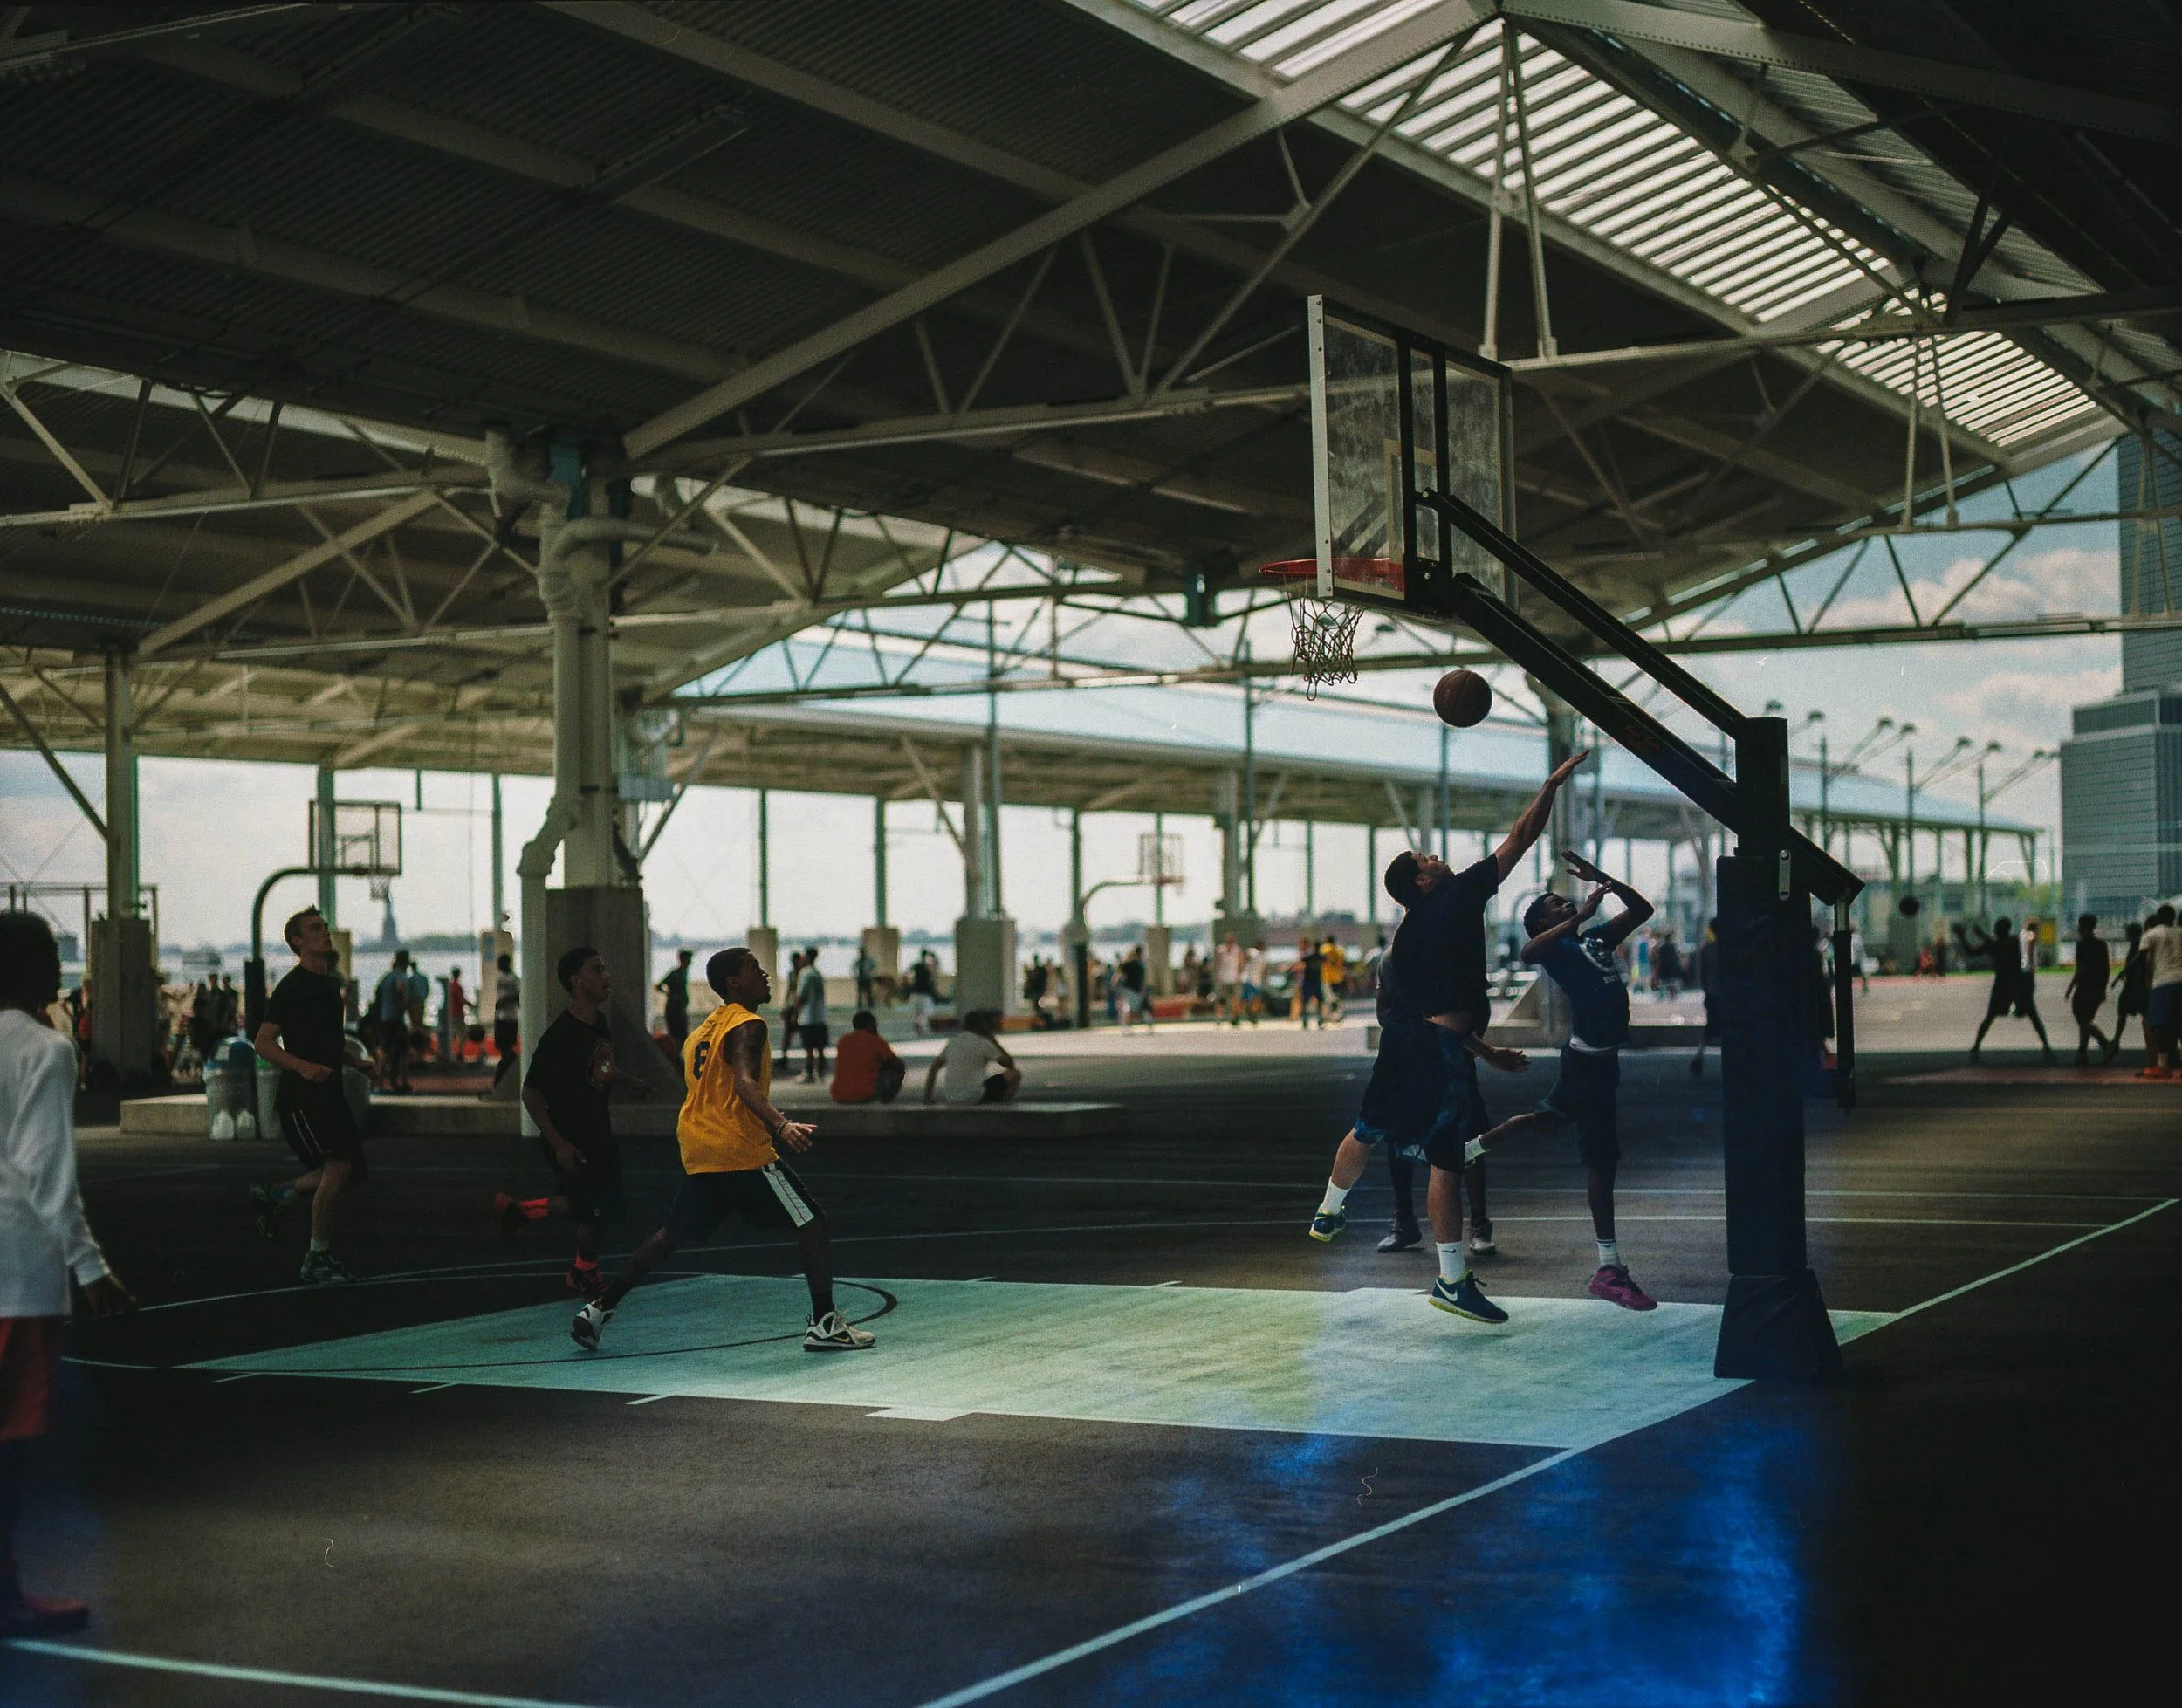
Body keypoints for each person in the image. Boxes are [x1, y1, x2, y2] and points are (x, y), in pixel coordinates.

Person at [1308, 751, 1588, 1322]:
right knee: (1446, 1160)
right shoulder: (1456, 896)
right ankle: (1452, 1279)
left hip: (1408, 1045)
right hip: (1436, 1056)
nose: (1438, 857)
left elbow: (1427, 1012)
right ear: (1423, 879)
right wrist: (1551, 785)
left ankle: (1329, 1209)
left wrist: (1483, 1050)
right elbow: (1520, 836)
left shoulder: (1405, 939)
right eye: (1427, 856)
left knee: (1368, 1126)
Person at [571, 948, 873, 1354]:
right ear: (733, 983)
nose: (765, 975)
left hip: (701, 1148)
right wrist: (780, 1125)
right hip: (741, 1150)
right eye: (755, 969)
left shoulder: (701, 1033)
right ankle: (824, 1324)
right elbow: (745, 1083)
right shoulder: (749, 1024)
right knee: (813, 1223)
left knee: (668, 1236)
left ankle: (600, 1309)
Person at [1, 913, 134, 1638]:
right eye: (51, 953)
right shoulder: (45, 1050)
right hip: (18, 1276)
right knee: (11, 1447)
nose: (61, 964)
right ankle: (5, 1592)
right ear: (23, 969)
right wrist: (91, 1265)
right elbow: (47, 1170)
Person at [1521, 852, 1657, 1311]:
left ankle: (1475, 1146)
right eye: (1555, 906)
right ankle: (1609, 1267)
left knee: (1549, 1123)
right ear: (1545, 922)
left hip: (1603, 1063)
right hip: (1585, 1062)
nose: (1566, 906)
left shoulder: (1596, 939)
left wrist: (1607, 881)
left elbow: (1643, 911)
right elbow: (1529, 950)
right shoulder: (1554, 950)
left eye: (1566, 903)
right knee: (1602, 1161)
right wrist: (1576, 915)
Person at [502, 946, 654, 1300]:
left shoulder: (598, 1023)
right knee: (594, 1207)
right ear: (576, 980)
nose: (606, 975)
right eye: (596, 969)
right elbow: (531, 1093)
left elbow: (599, 1067)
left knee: (593, 1203)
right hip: (571, 1135)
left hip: (597, 1129)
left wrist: (627, 1081)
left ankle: (521, 1211)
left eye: (605, 968)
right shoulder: (561, 1035)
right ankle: (583, 1271)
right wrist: (558, 1142)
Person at [250, 908, 379, 1283]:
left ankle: (276, 1197)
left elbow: (330, 1044)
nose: (325, 933)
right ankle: (317, 1258)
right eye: (315, 929)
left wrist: (356, 1061)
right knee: (336, 1169)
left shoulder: (330, 987)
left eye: (325, 927)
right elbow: (262, 1043)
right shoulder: (291, 987)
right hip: (302, 1099)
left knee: (349, 1174)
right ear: (298, 942)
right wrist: (303, 1067)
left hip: (332, 1093)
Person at [1953, 916, 2053, 1061]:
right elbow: (1989, 947)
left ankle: (1976, 1047)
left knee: (1991, 1017)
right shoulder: (2011, 941)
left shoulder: (2010, 942)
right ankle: (2047, 1047)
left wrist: (1965, 937)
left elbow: (1977, 951)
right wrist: (1971, 937)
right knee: (2032, 1015)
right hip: (2017, 984)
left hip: (2004, 984)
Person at [926, 1009, 1021, 1105]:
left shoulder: (953, 1042)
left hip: (952, 1097)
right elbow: (1010, 1064)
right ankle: (1003, 1109)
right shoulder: (983, 1042)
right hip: (975, 1095)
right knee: (1015, 1074)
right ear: (982, 1026)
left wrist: (927, 1098)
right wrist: (994, 1040)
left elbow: (933, 1069)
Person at [2064, 915, 2114, 1068]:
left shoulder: (2082, 945)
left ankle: (2105, 1044)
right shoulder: (2102, 944)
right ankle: (2082, 1053)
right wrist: (2104, 989)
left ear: (2083, 927)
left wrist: (2071, 987)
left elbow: (2081, 968)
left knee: (2083, 1020)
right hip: (2097, 987)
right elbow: (2106, 969)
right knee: (2086, 1019)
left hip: (2085, 987)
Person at [2142, 903, 2182, 1080]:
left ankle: (2162, 1066)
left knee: (2160, 1026)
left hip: (2163, 983)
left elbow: (2141, 958)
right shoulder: (2180, 933)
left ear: (2158, 917)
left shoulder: (2152, 934)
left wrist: (2125, 971)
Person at [832, 1009, 904, 1104]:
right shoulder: (875, 1041)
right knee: (898, 1070)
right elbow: (897, 1064)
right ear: (870, 1024)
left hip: (839, 1094)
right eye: (875, 1023)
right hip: (863, 1093)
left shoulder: (843, 1040)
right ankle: (885, 1102)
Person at [371, 950, 415, 1092]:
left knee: (385, 1052)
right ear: (406, 961)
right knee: (401, 1052)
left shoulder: (387, 976)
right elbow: (400, 989)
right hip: (396, 1019)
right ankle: (402, 1083)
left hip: (384, 1018)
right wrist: (404, 1005)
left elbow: (377, 994)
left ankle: (379, 1083)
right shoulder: (401, 976)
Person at [2111, 922, 2150, 1067]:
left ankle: (2116, 1042)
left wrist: (2121, 975)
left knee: (2123, 1015)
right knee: (2143, 1016)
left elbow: (2134, 963)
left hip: (2134, 987)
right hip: (2137, 986)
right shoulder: (2139, 944)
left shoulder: (2137, 946)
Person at [1689, 919, 1722, 1077]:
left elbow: (1702, 975)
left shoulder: (1706, 949)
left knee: (1710, 1028)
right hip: (1725, 994)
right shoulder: (1728, 950)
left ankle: (1699, 1056)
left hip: (1712, 993)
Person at [795, 947, 828, 1083]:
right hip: (820, 1016)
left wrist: (795, 1012)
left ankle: (809, 1073)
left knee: (809, 1047)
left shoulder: (805, 973)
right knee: (820, 1047)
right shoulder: (818, 974)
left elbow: (801, 995)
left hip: (808, 1017)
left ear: (807, 957)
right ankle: (821, 1072)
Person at [491, 953, 521, 1089]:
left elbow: (518, 996)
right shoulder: (500, 978)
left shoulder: (514, 979)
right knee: (503, 1048)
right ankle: (504, 1076)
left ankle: (505, 1073)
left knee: (507, 1048)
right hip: (501, 1017)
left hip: (510, 1018)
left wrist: (505, 1001)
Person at [655, 948, 694, 1048]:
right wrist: (670, 995)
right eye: (688, 960)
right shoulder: (676, 974)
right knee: (677, 1034)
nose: (690, 962)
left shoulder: (683, 973)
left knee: (681, 1034)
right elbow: (659, 986)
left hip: (680, 1008)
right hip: (675, 1008)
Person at [1213, 934, 1245, 1025]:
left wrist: (1239, 976)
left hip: (1234, 979)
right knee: (1221, 1000)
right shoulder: (1220, 950)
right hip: (1223, 979)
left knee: (1234, 1000)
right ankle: (1219, 1018)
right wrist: (1217, 977)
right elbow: (1217, 964)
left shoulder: (1238, 951)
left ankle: (1234, 1018)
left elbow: (1241, 965)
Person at [1118, 945, 1152, 1031]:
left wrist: (1126, 956)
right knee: (1141, 1006)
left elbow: (1120, 968)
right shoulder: (1141, 966)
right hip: (1136, 989)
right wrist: (1144, 990)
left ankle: (1126, 1024)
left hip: (1128, 988)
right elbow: (1142, 980)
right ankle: (1148, 1023)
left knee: (1129, 1006)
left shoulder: (1128, 963)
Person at [906, 950, 938, 1037]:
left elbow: (908, 973)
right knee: (925, 1012)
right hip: (925, 993)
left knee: (918, 1012)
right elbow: (932, 978)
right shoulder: (928, 966)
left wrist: (910, 982)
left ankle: (919, 1028)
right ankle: (920, 1027)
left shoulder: (916, 965)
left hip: (916, 992)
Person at [1294, 937, 1324, 1028]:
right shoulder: (1311, 957)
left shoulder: (1319, 957)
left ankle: (1316, 1020)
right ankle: (1306, 1020)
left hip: (1313, 982)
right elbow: (1299, 964)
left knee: (1315, 1001)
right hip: (1310, 982)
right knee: (1307, 1001)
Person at [442, 966, 468, 1062]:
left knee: (453, 1034)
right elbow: (461, 999)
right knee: (463, 1034)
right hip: (458, 1014)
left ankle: (448, 1052)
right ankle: (459, 1053)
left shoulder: (450, 985)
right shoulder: (456, 986)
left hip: (452, 1013)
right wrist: (471, 1005)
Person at [1321, 936, 1348, 1023]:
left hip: (1327, 978)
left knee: (1330, 998)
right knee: (1333, 997)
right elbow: (1343, 964)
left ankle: (1333, 1015)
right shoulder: (1340, 950)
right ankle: (1332, 1016)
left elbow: (1323, 960)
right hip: (1338, 978)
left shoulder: (1325, 949)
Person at [1240, 943, 1266, 1025]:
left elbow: (1264, 969)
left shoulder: (1263, 956)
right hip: (1248, 980)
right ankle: (1238, 1016)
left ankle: (1253, 1015)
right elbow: (1245, 957)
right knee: (1245, 999)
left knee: (1256, 999)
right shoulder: (1252, 952)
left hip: (1257, 981)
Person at [854, 944, 878, 1012]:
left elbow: (874, 966)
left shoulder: (868, 960)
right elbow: (854, 967)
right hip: (861, 979)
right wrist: (856, 975)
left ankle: (870, 1006)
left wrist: (870, 972)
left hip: (867, 979)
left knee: (868, 993)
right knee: (860, 994)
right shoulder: (859, 960)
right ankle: (860, 1007)